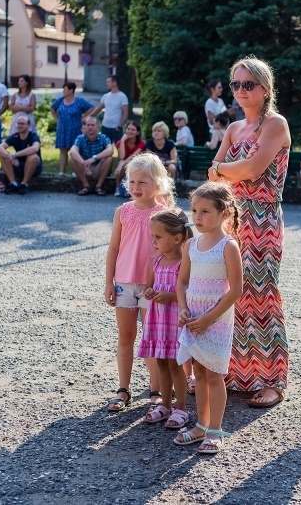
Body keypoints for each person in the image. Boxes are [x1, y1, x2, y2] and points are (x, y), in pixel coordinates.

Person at [208, 56, 290, 409]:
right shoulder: (233, 128)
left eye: (249, 84)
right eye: (236, 85)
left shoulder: (275, 124)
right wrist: (229, 170)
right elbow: (216, 173)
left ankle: (273, 379)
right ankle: (232, 372)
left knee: (260, 293)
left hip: (263, 219)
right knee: (228, 294)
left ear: (265, 88)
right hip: (231, 218)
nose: (241, 91)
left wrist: (225, 170)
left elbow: (254, 169)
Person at [103, 153, 175, 412]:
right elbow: (113, 248)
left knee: (151, 338)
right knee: (126, 336)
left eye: (142, 182)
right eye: (132, 182)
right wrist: (109, 282)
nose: (136, 188)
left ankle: (155, 390)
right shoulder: (122, 212)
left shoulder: (164, 213)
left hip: (152, 287)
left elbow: (173, 253)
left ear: (157, 183)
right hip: (124, 282)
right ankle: (123, 389)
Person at [175, 182, 243, 454]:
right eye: (194, 211)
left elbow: (236, 290)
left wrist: (209, 318)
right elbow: (182, 282)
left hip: (216, 321)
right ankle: (201, 425)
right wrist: (182, 308)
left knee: (214, 375)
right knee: (198, 374)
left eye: (205, 212)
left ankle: (215, 429)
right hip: (193, 319)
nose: (197, 217)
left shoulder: (229, 246)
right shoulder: (191, 244)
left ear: (224, 213)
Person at [139, 207, 194, 429]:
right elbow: (148, 287)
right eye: (153, 236)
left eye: (158, 237)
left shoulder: (185, 263)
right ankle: (166, 405)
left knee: (174, 364)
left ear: (177, 237)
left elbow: (188, 293)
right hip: (157, 321)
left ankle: (181, 407)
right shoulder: (157, 262)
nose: (154, 241)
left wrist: (169, 296)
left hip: (173, 322)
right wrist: (149, 292)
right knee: (161, 363)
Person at [51, 82, 94, 175]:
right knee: (62, 150)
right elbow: (52, 108)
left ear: (71, 90)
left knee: (75, 150)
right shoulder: (60, 100)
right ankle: (61, 171)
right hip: (62, 129)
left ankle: (75, 171)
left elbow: (91, 108)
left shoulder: (79, 100)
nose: (63, 91)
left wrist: (85, 117)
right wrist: (56, 119)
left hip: (75, 129)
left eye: (65, 89)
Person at [0, 116, 42, 195]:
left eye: (22, 124)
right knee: (3, 155)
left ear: (28, 125)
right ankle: (13, 184)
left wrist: (15, 155)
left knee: (33, 156)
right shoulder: (14, 136)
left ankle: (24, 184)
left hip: (33, 167)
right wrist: (9, 156)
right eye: (18, 123)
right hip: (18, 164)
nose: (20, 126)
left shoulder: (33, 136)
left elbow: (35, 149)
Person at [69, 117, 114, 196]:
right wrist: (84, 163)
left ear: (97, 127)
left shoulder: (103, 137)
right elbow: (72, 151)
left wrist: (94, 158)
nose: (90, 127)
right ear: (85, 127)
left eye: (92, 125)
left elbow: (110, 150)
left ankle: (99, 186)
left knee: (109, 158)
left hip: (98, 167)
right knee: (72, 159)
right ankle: (86, 186)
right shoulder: (80, 138)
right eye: (88, 125)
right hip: (85, 168)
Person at [86, 76, 129, 143]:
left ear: (114, 83)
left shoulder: (122, 97)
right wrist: (88, 117)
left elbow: (125, 113)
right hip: (105, 126)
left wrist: (120, 126)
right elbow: (98, 109)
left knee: (119, 147)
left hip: (116, 127)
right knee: (105, 146)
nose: (107, 84)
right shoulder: (106, 96)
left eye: (108, 82)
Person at [114, 120, 147, 197]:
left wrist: (121, 164)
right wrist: (122, 140)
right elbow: (121, 157)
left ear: (137, 132)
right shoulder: (120, 142)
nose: (130, 131)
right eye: (128, 129)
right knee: (121, 163)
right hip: (125, 165)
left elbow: (133, 156)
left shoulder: (142, 143)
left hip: (138, 166)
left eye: (133, 130)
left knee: (121, 163)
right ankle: (117, 187)